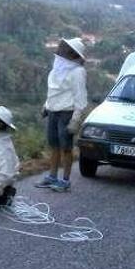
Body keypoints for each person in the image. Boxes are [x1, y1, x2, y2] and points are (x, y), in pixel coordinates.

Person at [36, 37, 88, 192]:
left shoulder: (78, 72)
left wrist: (76, 120)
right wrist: (46, 106)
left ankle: (65, 181)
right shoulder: (57, 68)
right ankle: (52, 177)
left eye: (66, 49)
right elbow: (53, 90)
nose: (62, 50)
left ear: (73, 54)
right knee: (54, 146)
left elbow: (80, 97)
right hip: (53, 111)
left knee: (66, 148)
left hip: (67, 113)